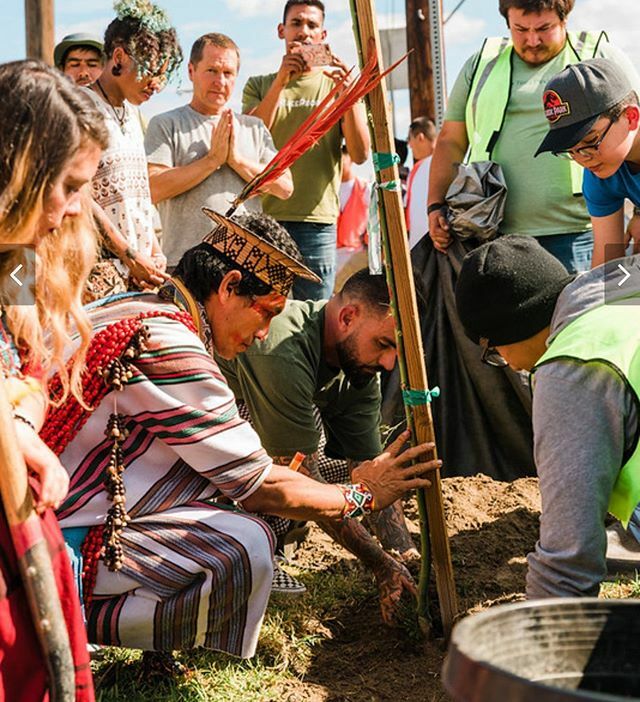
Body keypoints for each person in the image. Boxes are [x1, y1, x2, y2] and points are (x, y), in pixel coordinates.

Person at [49, 210, 438, 659]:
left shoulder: (146, 308)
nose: (262, 333)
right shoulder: (173, 344)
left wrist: (399, 556)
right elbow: (261, 486)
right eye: (265, 313)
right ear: (230, 286)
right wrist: (363, 494)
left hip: (61, 511)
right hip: (58, 534)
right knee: (247, 544)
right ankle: (69, 621)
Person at [218, 268, 419, 621]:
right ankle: (249, 553)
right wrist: (380, 564)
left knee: (323, 456)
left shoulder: (358, 368)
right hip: (203, 438)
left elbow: (371, 470)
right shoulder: (280, 349)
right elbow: (301, 485)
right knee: (293, 460)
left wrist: (405, 555)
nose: (389, 364)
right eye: (384, 345)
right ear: (347, 317)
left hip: (267, 431)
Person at [0, 58, 109, 702]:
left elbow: (30, 372)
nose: (71, 211)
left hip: (20, 519)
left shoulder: (14, 267)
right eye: (65, 186)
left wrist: (18, 422)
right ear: (18, 173)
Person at [455, 234, 640, 598]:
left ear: (509, 331)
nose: (505, 363)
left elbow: (567, 562)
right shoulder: (624, 278)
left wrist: (537, 646)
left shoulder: (572, 367)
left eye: (493, 352)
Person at [427, 0, 639, 274]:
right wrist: (605, 308)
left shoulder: (599, 54)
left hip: (576, 234)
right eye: (520, 29)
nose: (532, 39)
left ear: (564, 19)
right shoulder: (602, 179)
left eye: (543, 28)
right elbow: (609, 273)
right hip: (500, 235)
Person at [243, 0, 370, 300]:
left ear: (323, 35)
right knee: (261, 311)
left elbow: (361, 153)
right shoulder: (259, 84)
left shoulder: (335, 84)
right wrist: (280, 82)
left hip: (317, 223)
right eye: (296, 23)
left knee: (314, 317)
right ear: (281, 31)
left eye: (312, 26)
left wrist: (348, 97)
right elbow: (249, 139)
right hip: (264, 218)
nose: (303, 32)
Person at [145, 33, 293, 270]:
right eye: (211, 71)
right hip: (185, 265)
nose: (220, 81)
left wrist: (237, 161)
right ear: (191, 71)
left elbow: (285, 187)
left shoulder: (253, 127)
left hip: (246, 265)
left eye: (228, 73)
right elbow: (152, 188)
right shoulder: (166, 124)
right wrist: (211, 161)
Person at [82, 0, 183, 298]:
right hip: (95, 274)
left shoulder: (133, 115)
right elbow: (78, 194)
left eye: (164, 75)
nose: (157, 85)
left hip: (135, 275)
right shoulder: (82, 108)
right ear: (119, 57)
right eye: (151, 71)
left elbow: (132, 197)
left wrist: (151, 246)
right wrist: (128, 253)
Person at [535, 58, 640, 268]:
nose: (582, 158)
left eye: (591, 141)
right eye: (570, 150)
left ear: (630, 117)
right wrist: (602, 300)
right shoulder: (600, 173)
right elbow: (608, 262)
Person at [405, 117, 436, 250]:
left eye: (410, 139)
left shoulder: (418, 169)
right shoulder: (449, 164)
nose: (410, 145)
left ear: (420, 137)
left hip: (420, 249)